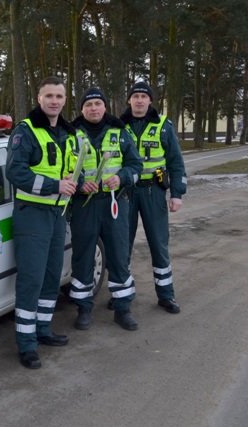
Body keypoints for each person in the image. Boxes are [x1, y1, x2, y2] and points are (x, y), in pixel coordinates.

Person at [6, 76, 78, 369]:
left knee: (51, 276)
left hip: (57, 215)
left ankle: (43, 329)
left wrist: (75, 181)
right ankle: (26, 345)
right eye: (49, 96)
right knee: (31, 279)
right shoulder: (26, 131)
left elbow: (69, 169)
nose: (54, 101)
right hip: (32, 215)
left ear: (65, 100)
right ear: (39, 98)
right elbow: (15, 172)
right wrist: (54, 185)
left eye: (59, 96)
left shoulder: (68, 133)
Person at [68, 87, 143, 331]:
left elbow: (136, 165)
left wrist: (121, 178)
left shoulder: (119, 132)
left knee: (119, 255)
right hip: (84, 204)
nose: (93, 108)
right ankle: (84, 309)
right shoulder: (71, 134)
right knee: (83, 256)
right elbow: (63, 169)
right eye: (88, 104)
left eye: (97, 104)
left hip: (114, 202)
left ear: (105, 107)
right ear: (82, 109)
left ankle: (123, 309)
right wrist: (80, 183)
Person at [120, 81, 187, 314]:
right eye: (135, 96)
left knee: (159, 244)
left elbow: (176, 162)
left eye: (143, 96)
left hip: (153, 192)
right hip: (125, 193)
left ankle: (166, 295)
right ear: (129, 100)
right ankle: (122, 295)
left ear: (150, 100)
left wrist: (177, 194)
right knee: (122, 245)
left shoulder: (163, 126)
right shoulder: (118, 126)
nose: (139, 100)